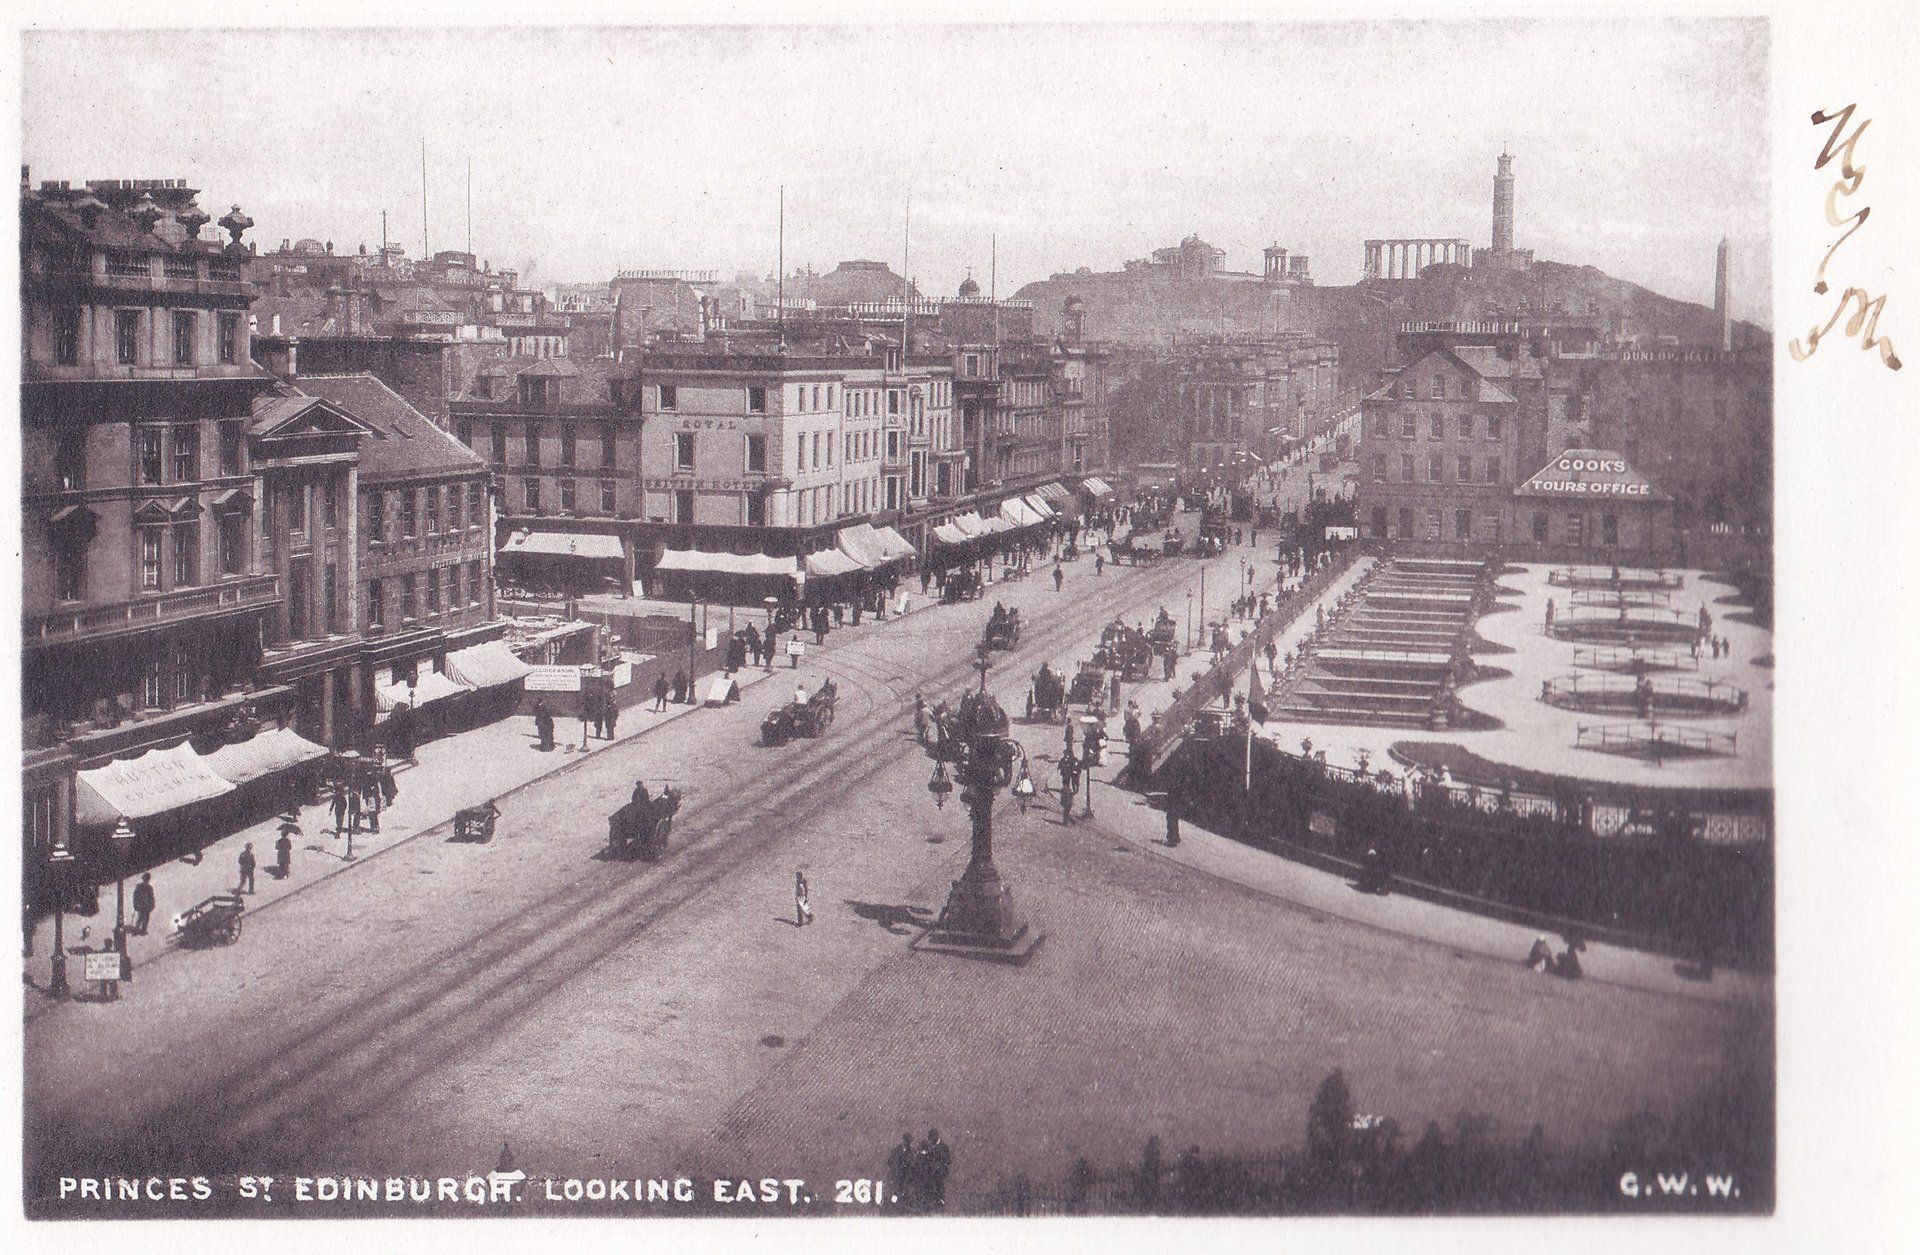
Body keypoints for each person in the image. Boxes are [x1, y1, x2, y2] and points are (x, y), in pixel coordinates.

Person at [918, 1130, 952, 1210]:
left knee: (939, 1185)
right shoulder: (929, 1146)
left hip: (939, 1172)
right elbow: (925, 1156)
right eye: (930, 1139)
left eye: (931, 1139)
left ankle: (940, 1200)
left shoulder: (943, 1147)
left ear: (936, 1137)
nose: (930, 1141)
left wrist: (939, 1162)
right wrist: (924, 1154)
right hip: (930, 1171)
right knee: (928, 1185)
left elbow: (948, 1160)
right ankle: (928, 1200)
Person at [886, 1133, 916, 1211]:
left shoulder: (912, 1152)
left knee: (906, 1195)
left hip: (907, 1178)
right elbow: (890, 1162)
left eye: (909, 1142)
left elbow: (913, 1165)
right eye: (907, 1141)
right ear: (903, 1141)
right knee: (896, 1195)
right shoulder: (896, 1151)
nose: (908, 1143)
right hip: (898, 1177)